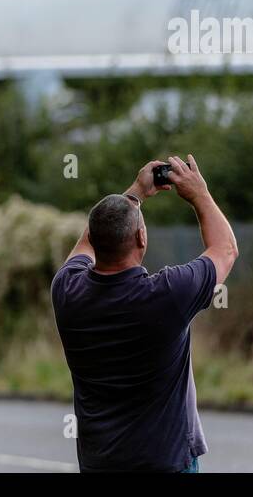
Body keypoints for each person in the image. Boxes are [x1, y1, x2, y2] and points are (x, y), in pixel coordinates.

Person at [50, 154, 238, 472]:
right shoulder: (166, 295)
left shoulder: (67, 291)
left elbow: (88, 240)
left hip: (100, 465)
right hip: (165, 464)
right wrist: (199, 193)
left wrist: (135, 192)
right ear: (141, 237)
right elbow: (226, 249)